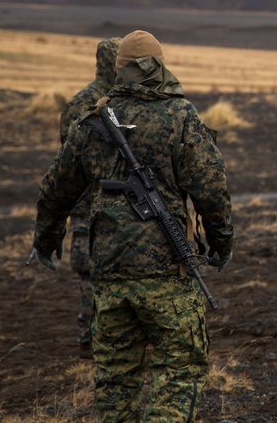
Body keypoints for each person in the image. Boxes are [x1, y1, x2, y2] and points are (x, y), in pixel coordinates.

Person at [30, 30, 236, 421]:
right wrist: (222, 243)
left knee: (116, 379)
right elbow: (211, 190)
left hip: (108, 271)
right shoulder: (179, 116)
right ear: (158, 66)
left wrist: (45, 239)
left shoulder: (91, 122)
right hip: (167, 273)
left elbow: (56, 190)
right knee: (178, 371)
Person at [58, 36, 121, 359]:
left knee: (98, 269)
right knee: (91, 270)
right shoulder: (98, 102)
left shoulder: (85, 101)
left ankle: (96, 337)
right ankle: (89, 338)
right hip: (92, 201)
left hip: (98, 200)